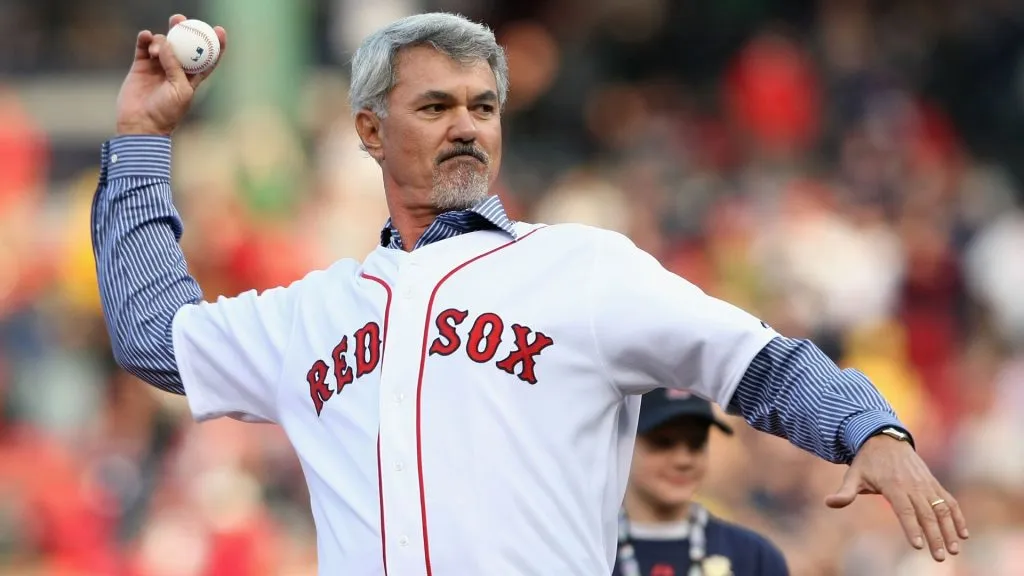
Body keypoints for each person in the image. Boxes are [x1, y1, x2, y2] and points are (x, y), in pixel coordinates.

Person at [92, 11, 968, 575]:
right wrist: (140, 137)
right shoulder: (313, 313)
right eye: (435, 107)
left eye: (484, 106)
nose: (467, 124)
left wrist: (869, 426)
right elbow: (150, 334)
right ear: (369, 130)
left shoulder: (583, 270)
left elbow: (757, 361)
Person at [616, 389, 789, 576]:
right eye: (663, 442)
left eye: (696, 443)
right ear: (624, 443)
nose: (683, 460)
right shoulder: (590, 547)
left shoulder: (753, 557)